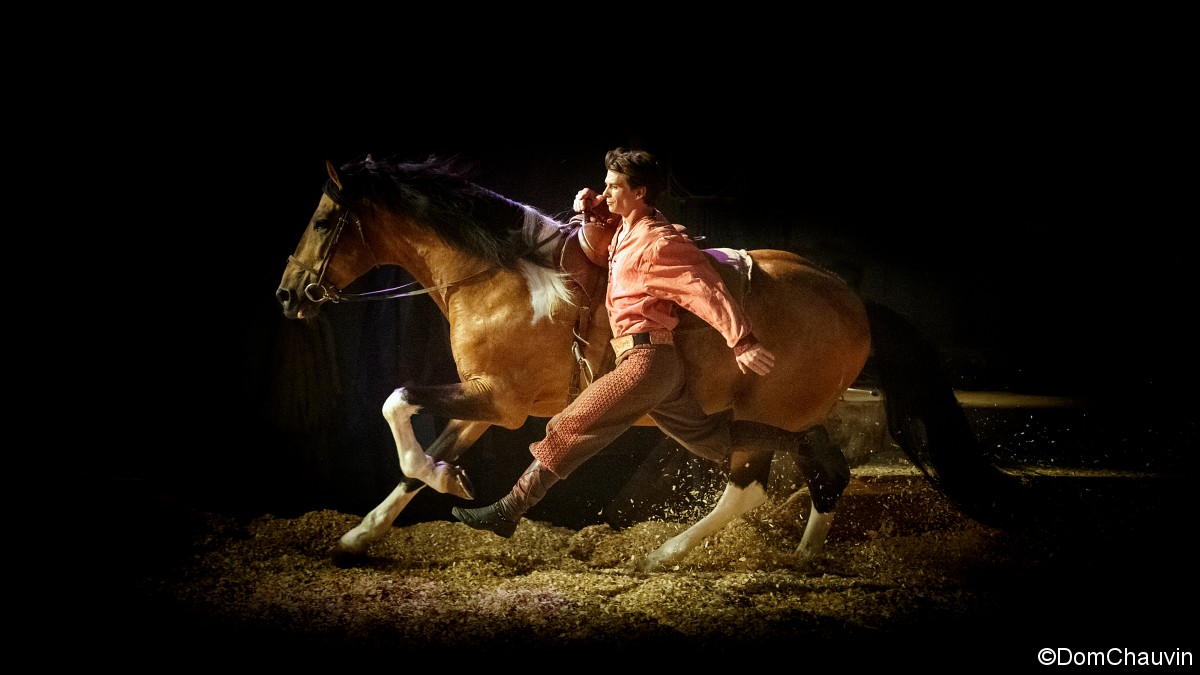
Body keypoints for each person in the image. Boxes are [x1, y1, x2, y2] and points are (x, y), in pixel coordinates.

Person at [452, 148, 776, 537]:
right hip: (651, 363)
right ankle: (802, 441)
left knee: (569, 425)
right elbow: (605, 236)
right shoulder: (626, 228)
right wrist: (593, 209)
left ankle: (508, 510)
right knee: (712, 441)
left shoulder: (658, 242)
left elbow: (705, 290)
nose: (605, 193)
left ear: (639, 192)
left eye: (613, 187)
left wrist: (741, 340)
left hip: (646, 359)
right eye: (605, 185)